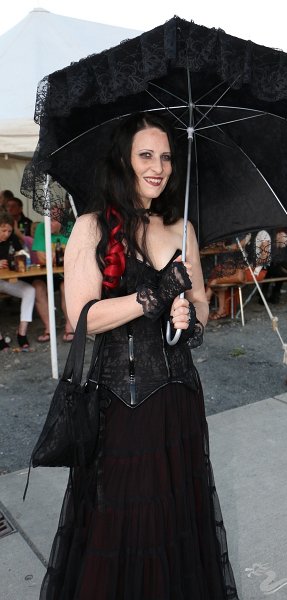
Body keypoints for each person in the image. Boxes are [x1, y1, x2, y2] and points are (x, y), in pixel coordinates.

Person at [39, 112, 238, 599]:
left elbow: (203, 304)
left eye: (166, 157)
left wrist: (188, 314)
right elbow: (82, 318)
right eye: (146, 155)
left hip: (179, 399)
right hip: (122, 407)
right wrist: (153, 295)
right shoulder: (91, 227)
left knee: (177, 516)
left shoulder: (182, 229)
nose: (159, 167)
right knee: (124, 520)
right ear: (123, 161)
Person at [205, 230, 271, 319]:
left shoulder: (263, 235)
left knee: (219, 274)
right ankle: (218, 306)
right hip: (246, 269)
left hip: (257, 272)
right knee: (220, 270)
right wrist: (226, 247)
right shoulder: (250, 234)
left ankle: (208, 297)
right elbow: (237, 246)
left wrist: (248, 268)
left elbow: (263, 260)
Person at [31, 216, 74, 342]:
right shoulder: (41, 227)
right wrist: (61, 253)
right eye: (47, 219)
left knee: (65, 286)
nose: (48, 223)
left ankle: (70, 325)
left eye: (53, 221)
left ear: (61, 221)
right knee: (37, 287)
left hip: (67, 271)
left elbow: (74, 255)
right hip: (46, 272)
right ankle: (49, 327)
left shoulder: (71, 227)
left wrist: (54, 255)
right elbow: (41, 258)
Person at [0, 212, 35, 350]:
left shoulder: (12, 238)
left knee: (30, 291)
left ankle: (22, 332)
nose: (7, 234)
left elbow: (21, 254)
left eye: (9, 231)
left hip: (6, 281)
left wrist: (20, 260)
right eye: (3, 230)